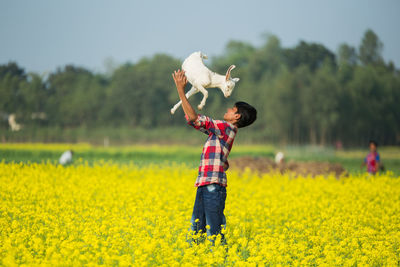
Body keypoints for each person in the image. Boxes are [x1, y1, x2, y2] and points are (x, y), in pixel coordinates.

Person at [172, 69, 257, 243]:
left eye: (232, 109)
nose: (227, 109)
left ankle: (220, 260)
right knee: (197, 232)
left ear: (237, 116)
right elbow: (193, 119)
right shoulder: (219, 132)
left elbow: (195, 118)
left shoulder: (227, 128)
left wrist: (181, 90)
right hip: (204, 185)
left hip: (212, 186)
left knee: (214, 234)